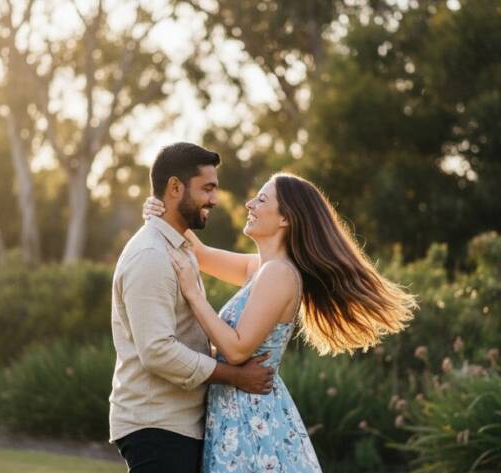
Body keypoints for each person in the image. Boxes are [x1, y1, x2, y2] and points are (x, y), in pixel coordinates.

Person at [143, 172, 418, 472]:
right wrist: (162, 213)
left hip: (252, 422)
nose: (249, 204)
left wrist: (195, 296)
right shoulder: (260, 268)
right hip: (236, 416)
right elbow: (201, 253)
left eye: (261, 199)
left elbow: (237, 351)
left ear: (286, 218)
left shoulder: (279, 274)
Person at [109, 142, 276, 473]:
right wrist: (236, 377)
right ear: (175, 188)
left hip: (177, 425)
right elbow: (157, 350)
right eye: (207, 189)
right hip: (157, 425)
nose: (214, 199)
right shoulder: (152, 257)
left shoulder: (179, 248)